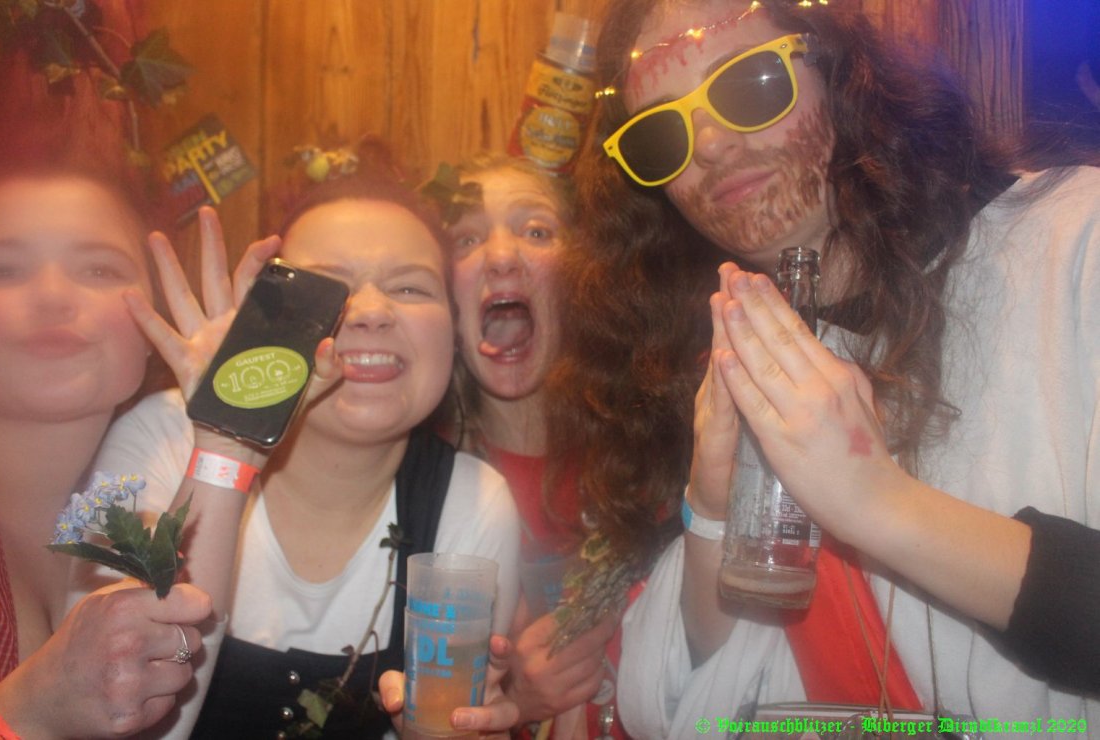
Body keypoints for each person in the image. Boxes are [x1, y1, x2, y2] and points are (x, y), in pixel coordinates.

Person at [549, 0, 1100, 735]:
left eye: (748, 85)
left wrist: (880, 503)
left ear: (842, 73)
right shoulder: (727, 360)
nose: (708, 144)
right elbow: (674, 712)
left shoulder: (1074, 244)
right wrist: (710, 512)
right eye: (660, 135)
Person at [75, 154, 522, 738]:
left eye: (410, 286)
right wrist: (228, 444)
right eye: (327, 287)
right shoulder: (160, 437)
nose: (370, 312)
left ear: (453, 334)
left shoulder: (474, 502)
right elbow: (118, 720)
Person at [0, 160, 213, 738]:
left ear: (158, 324)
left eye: (97, 268)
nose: (52, 295)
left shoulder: (171, 487)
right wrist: (29, 709)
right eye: (2, 269)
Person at [440, 153, 626, 738]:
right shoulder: (423, 490)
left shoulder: (650, 458)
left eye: (537, 231)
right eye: (467, 238)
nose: (500, 256)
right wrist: (513, 698)